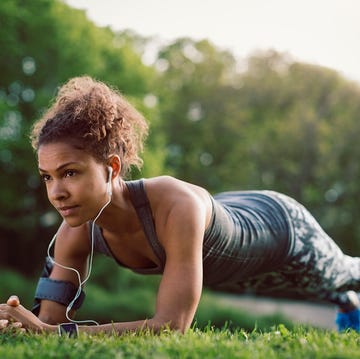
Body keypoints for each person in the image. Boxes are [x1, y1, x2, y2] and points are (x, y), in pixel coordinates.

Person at [0, 76, 359, 336]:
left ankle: (347, 303)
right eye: (47, 177)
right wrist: (18, 322)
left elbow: (172, 325)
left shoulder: (176, 206)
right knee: (329, 289)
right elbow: (48, 323)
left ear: (112, 168)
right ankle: (348, 304)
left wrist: (58, 334)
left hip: (280, 229)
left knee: (342, 275)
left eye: (70, 173)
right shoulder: (74, 231)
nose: (57, 192)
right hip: (226, 221)